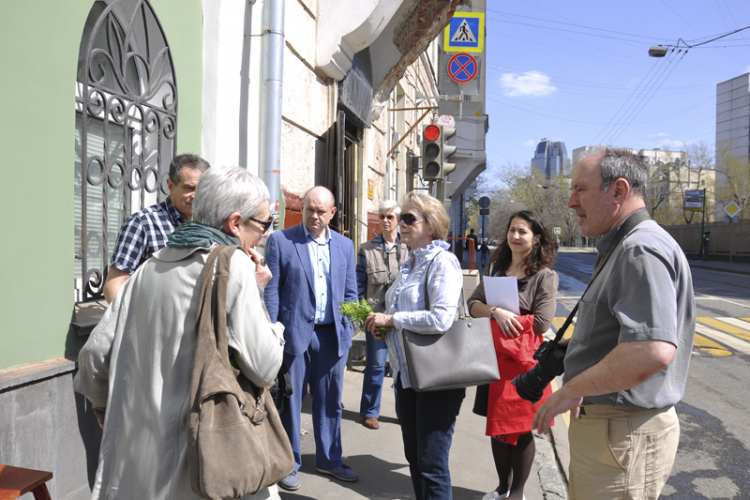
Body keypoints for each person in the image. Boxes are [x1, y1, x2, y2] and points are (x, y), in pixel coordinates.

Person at [74, 166, 285, 500]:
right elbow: (265, 366)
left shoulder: (149, 267)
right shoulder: (234, 266)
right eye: (264, 224)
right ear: (234, 223)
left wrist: (106, 410)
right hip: (205, 460)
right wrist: (269, 316)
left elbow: (94, 357)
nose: (265, 234)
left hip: (135, 462)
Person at [532, 146, 696, 499]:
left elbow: (650, 351)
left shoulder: (639, 248)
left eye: (580, 189)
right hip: (614, 435)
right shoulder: (626, 245)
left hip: (621, 435)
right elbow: (625, 336)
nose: (572, 202)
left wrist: (572, 389)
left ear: (618, 191)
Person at [364, 191, 464, 500]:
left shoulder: (442, 262)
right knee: (416, 459)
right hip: (408, 376)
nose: (402, 223)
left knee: (432, 465)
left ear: (431, 227)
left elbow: (441, 319)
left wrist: (392, 321)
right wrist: (385, 327)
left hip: (437, 378)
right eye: (401, 217)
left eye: (409, 218)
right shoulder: (410, 264)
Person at [264, 186, 359, 491]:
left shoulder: (345, 246)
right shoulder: (281, 240)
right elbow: (272, 291)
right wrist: (272, 332)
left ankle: (330, 459)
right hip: (293, 333)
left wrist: (349, 328)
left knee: (330, 399)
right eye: (309, 209)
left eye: (321, 211)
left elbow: (350, 292)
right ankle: (289, 463)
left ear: (332, 213)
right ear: (302, 208)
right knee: (291, 401)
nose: (314, 216)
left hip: (331, 335)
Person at [467, 210, 559, 500]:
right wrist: (495, 311)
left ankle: (517, 493)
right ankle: (501, 488)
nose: (515, 236)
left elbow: (543, 322)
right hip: (492, 361)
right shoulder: (497, 269)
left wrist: (507, 319)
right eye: (512, 230)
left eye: (522, 231)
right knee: (497, 429)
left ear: (536, 238)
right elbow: (472, 303)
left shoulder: (544, 276)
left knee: (519, 432)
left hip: (522, 366)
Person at [103, 153, 211, 302]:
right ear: (171, 186)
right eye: (189, 188)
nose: (196, 196)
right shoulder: (142, 223)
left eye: (201, 190)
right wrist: (130, 324)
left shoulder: (208, 225)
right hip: (151, 321)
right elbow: (114, 284)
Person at [356, 200, 409, 430]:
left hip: (400, 319)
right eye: (382, 216)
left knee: (402, 367)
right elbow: (359, 287)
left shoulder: (409, 248)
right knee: (376, 366)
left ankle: (403, 411)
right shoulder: (367, 250)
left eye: (390, 217)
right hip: (376, 318)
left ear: (398, 220)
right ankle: (370, 411)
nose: (385, 221)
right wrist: (367, 317)